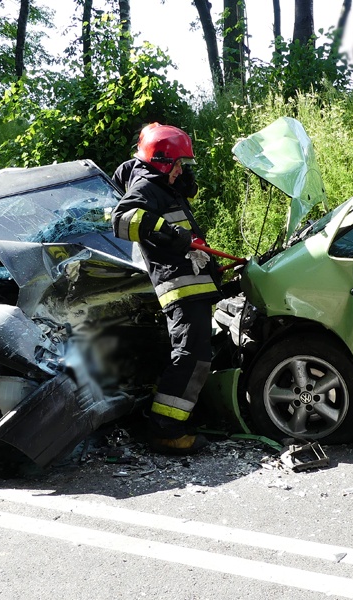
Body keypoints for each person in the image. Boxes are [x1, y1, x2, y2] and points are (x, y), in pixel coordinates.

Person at [111, 124, 220, 454]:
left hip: (192, 283)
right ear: (160, 162)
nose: (180, 170)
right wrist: (168, 232)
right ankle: (166, 431)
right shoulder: (147, 185)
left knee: (197, 354)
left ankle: (178, 421)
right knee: (191, 355)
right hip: (179, 287)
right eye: (177, 164)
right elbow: (122, 219)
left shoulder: (160, 184)